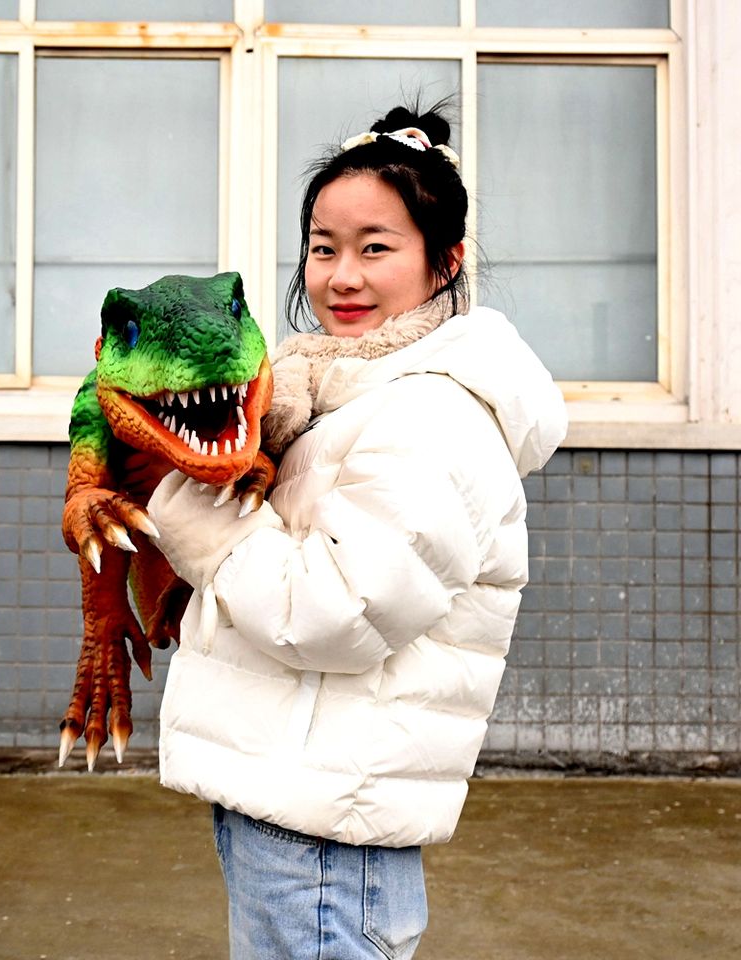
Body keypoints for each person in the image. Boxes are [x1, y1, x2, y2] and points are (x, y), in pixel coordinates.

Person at [146, 103, 568, 960]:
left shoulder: (434, 415)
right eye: (323, 247)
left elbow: (337, 611)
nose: (342, 276)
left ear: (446, 260)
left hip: (326, 833)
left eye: (376, 248)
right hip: (296, 803)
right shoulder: (332, 392)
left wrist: (196, 516)